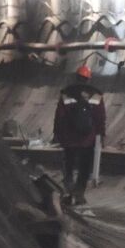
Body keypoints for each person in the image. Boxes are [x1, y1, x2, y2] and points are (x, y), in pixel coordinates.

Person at [52, 66, 106, 205]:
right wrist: (101, 134)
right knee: (85, 166)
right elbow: (100, 117)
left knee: (69, 163)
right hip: (88, 139)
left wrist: (57, 133)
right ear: (88, 78)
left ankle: (69, 189)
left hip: (69, 138)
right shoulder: (96, 94)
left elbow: (60, 115)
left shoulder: (66, 93)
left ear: (76, 77)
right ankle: (80, 193)